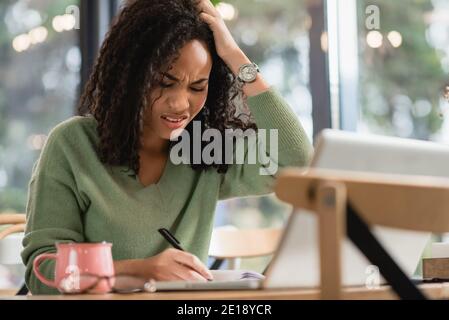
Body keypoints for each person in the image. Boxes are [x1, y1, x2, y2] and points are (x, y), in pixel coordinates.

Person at [21, 0, 313, 294]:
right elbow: (42, 271)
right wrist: (140, 271)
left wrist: (235, 56)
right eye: (164, 82)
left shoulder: (205, 149)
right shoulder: (73, 145)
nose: (180, 104)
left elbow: (296, 161)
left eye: (197, 87)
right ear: (131, 75)